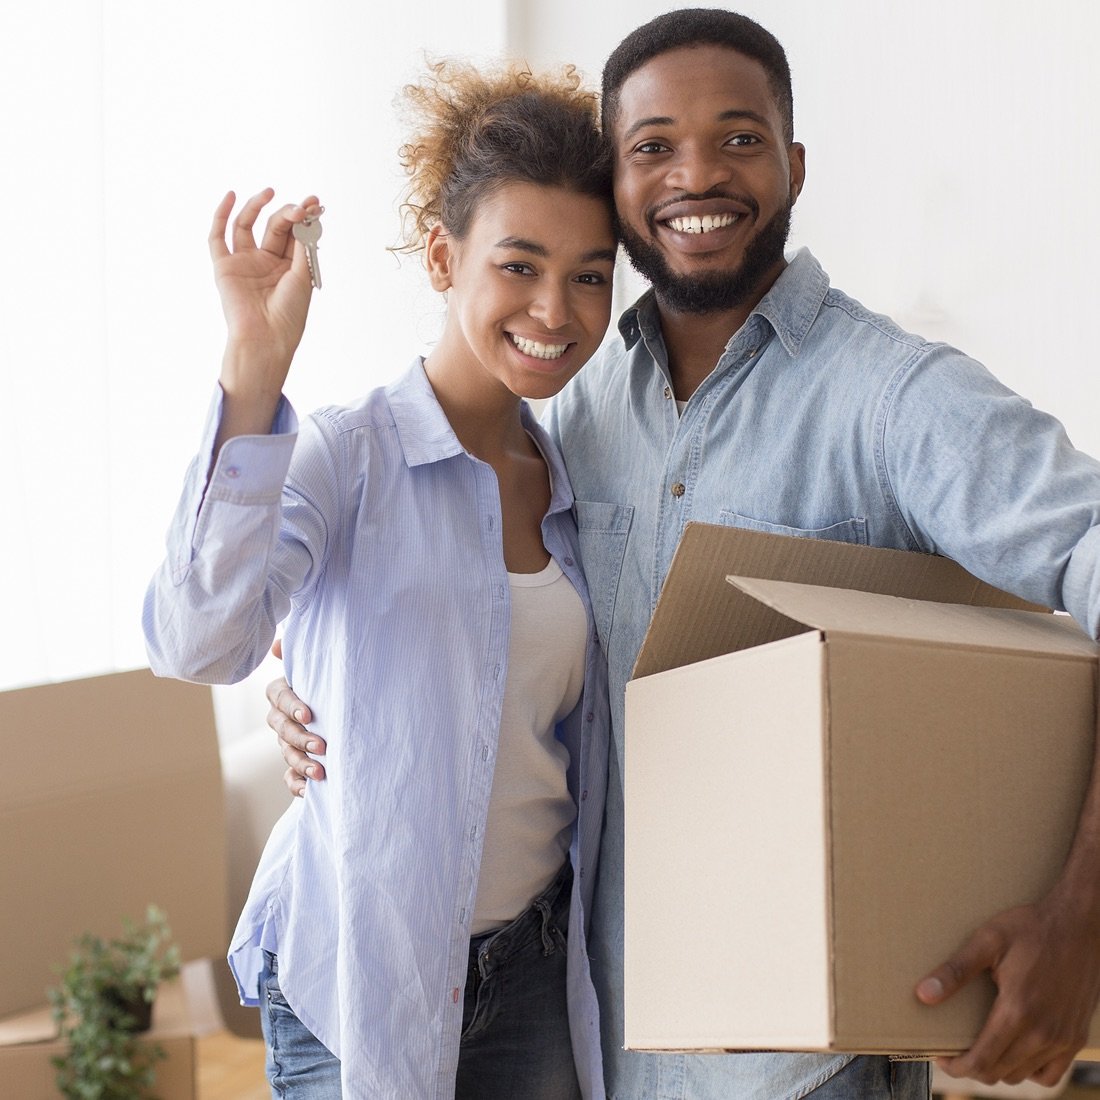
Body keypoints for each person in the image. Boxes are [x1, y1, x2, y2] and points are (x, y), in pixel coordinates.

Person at [267, 9, 1100, 1099]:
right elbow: (478, 603)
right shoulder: (573, 407)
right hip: (594, 1041)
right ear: (613, 179)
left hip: (803, 1066)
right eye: (652, 144)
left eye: (738, 137)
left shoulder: (896, 399)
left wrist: (1077, 916)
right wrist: (305, 671)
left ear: (793, 164)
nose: (695, 172)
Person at [143, 59, 619, 1100]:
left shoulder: (581, 475)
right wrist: (251, 367)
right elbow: (200, 642)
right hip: (358, 973)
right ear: (444, 256)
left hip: (535, 969)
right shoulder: (341, 456)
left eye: (589, 273)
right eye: (520, 264)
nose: (555, 307)